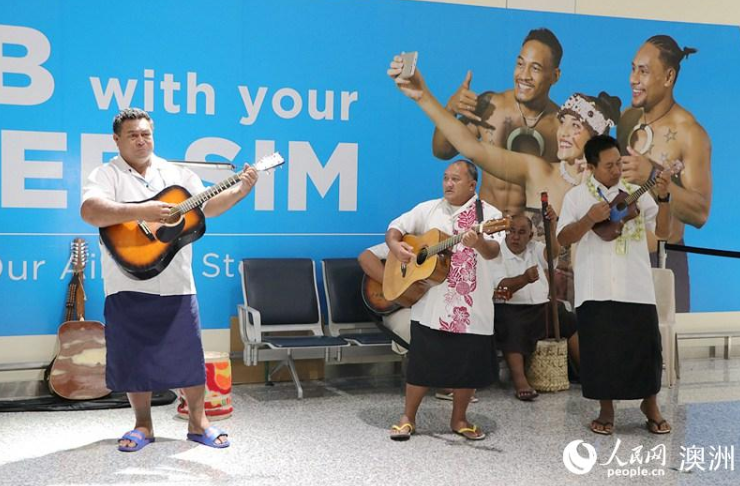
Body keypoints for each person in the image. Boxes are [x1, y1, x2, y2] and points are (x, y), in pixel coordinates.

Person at [80, 108, 258, 451]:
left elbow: (206, 207)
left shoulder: (177, 174)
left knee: (188, 354)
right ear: (116, 139)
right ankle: (142, 425)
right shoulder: (105, 174)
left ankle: (198, 423)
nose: (140, 140)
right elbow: (90, 211)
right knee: (134, 355)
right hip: (127, 279)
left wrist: (240, 191)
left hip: (177, 281)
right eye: (132, 135)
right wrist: (142, 210)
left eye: (145, 134)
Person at [388, 54, 621, 306]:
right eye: (562, 122)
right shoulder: (538, 170)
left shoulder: (604, 190)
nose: (564, 132)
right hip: (532, 291)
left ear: (595, 136)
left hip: (588, 289)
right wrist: (423, 96)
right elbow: (472, 148)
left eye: (576, 126)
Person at [557, 134, 673, 436]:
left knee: (645, 350)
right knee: (600, 353)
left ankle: (651, 405)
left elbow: (663, 232)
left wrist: (664, 198)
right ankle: (606, 410)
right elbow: (563, 238)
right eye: (609, 166)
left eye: (618, 163)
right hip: (594, 288)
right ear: (591, 166)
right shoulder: (576, 197)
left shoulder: (636, 193)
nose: (616, 170)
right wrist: (589, 219)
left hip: (636, 286)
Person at [386, 160, 503, 441]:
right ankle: (407, 417)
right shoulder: (428, 209)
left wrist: (478, 242)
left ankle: (459, 419)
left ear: (472, 185)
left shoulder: (490, 215)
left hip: (471, 307)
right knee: (422, 364)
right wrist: (395, 246)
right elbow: (395, 227)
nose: (448, 184)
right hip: (431, 304)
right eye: (445, 178)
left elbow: (494, 251)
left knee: (467, 367)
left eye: (455, 179)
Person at [617, 35, 712, 312]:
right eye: (632, 68)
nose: (633, 79)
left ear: (669, 77)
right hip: (622, 255)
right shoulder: (627, 118)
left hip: (663, 259)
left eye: (643, 71)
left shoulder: (690, 133)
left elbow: (700, 213)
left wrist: (652, 175)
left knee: (664, 339)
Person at [432, 28, 563, 216]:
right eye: (520, 64)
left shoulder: (561, 127)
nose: (524, 75)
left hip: (530, 231)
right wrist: (450, 109)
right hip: (486, 225)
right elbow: (441, 151)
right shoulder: (490, 106)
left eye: (535, 68)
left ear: (555, 76)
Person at [358, 243, 482, 402]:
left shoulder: (457, 251)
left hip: (434, 307)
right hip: (400, 309)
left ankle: (455, 380)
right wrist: (395, 285)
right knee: (414, 328)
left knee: (456, 323)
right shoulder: (409, 242)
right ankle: (444, 381)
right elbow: (365, 258)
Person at [491, 211, 578, 401]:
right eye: (511, 231)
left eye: (521, 232)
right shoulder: (496, 252)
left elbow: (552, 254)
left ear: (530, 236)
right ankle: (520, 381)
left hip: (541, 307)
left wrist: (551, 228)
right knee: (510, 324)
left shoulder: (535, 248)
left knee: (567, 317)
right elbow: (501, 287)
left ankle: (584, 371)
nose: (515, 236)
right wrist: (523, 279)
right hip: (510, 308)